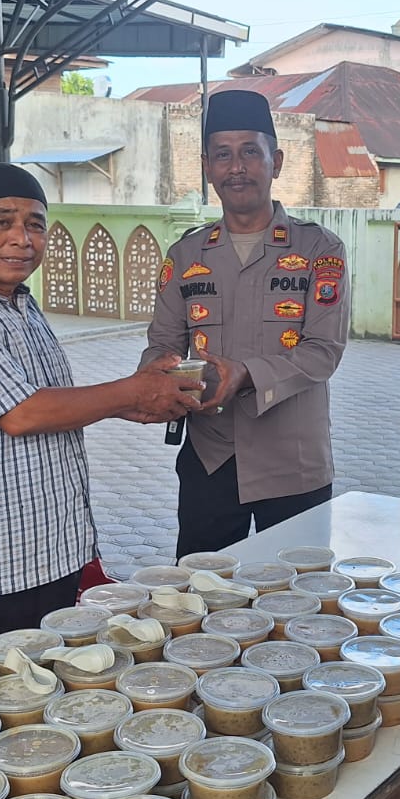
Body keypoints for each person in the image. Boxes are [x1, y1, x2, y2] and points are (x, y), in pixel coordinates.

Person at [0, 163, 200, 656]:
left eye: (35, 225)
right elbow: (21, 413)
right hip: (0, 558)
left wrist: (126, 404)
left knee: (60, 688)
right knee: (11, 695)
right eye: (2, 222)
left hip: (56, 544)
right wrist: (130, 391)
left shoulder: (20, 304)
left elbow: (47, 402)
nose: (22, 239)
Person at [141, 89, 350, 557]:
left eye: (250, 152)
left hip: (293, 462)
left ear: (275, 161)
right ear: (207, 167)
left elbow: (323, 351)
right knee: (200, 595)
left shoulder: (320, 250)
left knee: (300, 604)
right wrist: (160, 379)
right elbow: (162, 344)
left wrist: (246, 374)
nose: (237, 167)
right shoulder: (186, 254)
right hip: (211, 459)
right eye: (223, 155)